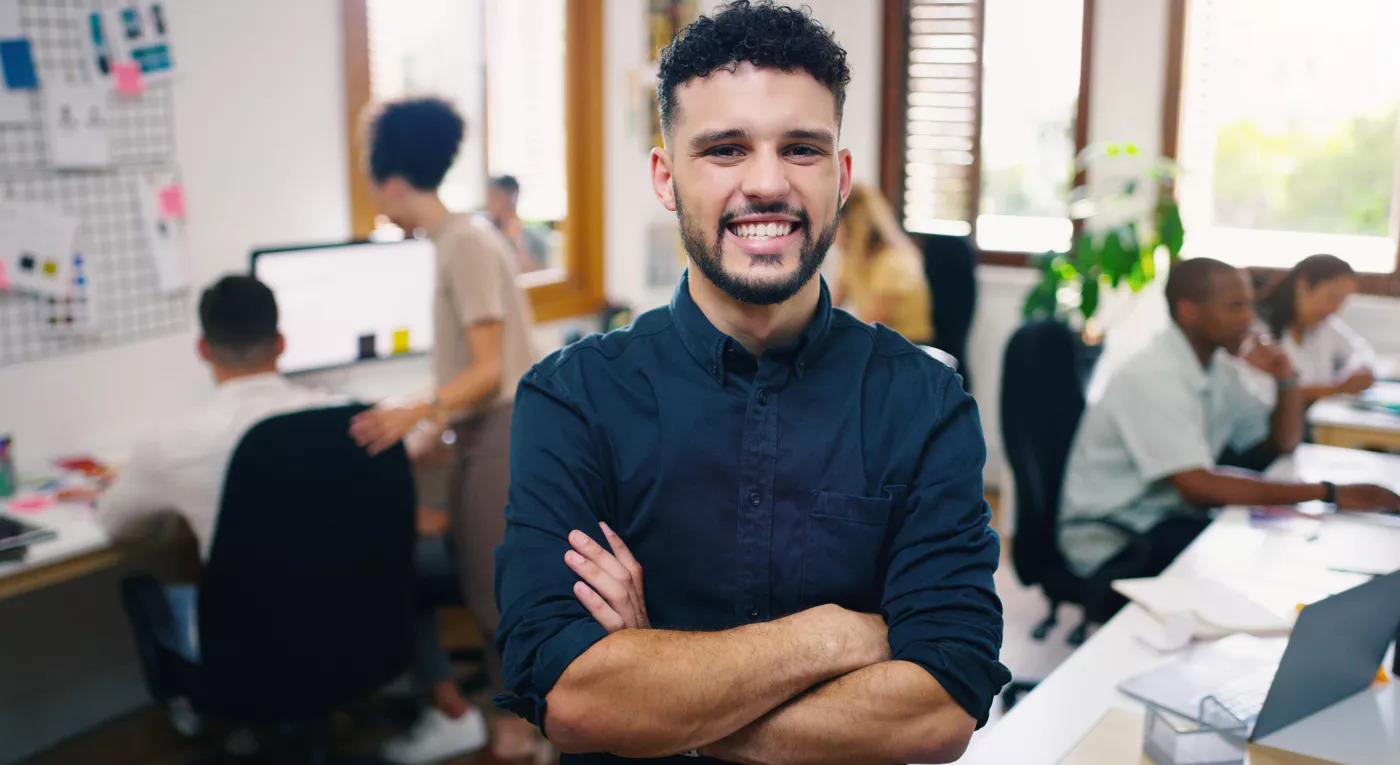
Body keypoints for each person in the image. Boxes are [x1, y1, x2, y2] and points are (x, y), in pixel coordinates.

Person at [494, 3, 1009, 763]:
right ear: (667, 178)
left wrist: (656, 691)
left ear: (840, 177)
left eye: (800, 149)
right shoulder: (572, 400)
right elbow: (573, 698)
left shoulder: (924, 405)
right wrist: (834, 635)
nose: (766, 183)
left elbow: (940, 712)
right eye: (725, 149)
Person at [96, 276, 487, 762]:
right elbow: (402, 464)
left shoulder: (171, 441)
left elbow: (118, 525)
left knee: (167, 593)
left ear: (203, 349)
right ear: (281, 343)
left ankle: (219, 718)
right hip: (361, 636)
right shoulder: (355, 420)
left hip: (252, 650)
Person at [351, 97, 543, 762]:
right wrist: (435, 431)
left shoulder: (463, 243)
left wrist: (418, 409)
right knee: (483, 587)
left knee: (494, 599)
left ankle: (521, 732)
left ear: (391, 182)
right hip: (485, 430)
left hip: (502, 431)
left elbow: (488, 370)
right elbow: (479, 368)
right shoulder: (463, 238)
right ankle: (515, 727)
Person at [1059, 258, 1400, 583]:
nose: (1249, 319)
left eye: (1249, 305)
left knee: (1282, 553)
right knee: (1255, 569)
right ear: (1189, 311)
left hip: (1166, 515)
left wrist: (1287, 380)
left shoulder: (1218, 366)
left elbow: (1280, 443)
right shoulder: (1153, 375)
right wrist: (1327, 492)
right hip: (1117, 534)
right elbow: (1198, 487)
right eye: (1236, 307)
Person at [1255, 253, 1377, 404]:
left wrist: (1359, 370)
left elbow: (1361, 350)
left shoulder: (1326, 326)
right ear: (1303, 286)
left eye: (1342, 301)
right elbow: (1266, 394)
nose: (1335, 309)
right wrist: (1338, 388)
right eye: (1332, 297)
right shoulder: (1261, 330)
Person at [831, 183, 933, 344]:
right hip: (881, 343)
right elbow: (830, 308)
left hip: (909, 346)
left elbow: (869, 324)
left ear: (851, 225)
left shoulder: (893, 263)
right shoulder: (851, 261)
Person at [486, 175, 552, 273]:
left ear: (512, 198)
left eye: (496, 197)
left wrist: (515, 242)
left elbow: (540, 275)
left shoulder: (536, 239)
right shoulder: (487, 235)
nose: (489, 204)